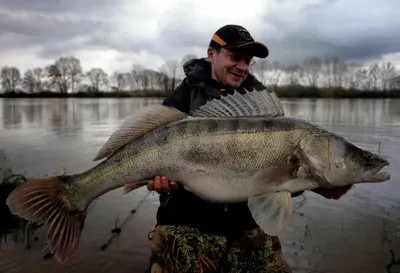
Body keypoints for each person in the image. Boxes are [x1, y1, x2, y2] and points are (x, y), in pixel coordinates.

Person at [144, 24, 352, 273]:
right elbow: (152, 154)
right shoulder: (181, 100)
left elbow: (275, 174)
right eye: (234, 56)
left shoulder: (262, 105)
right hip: (187, 222)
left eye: (247, 60)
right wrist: (163, 184)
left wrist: (323, 183)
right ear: (212, 54)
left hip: (247, 225)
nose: (242, 67)